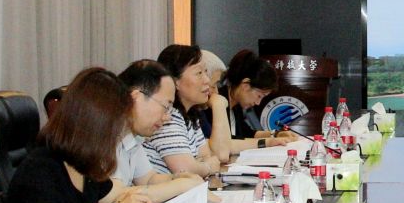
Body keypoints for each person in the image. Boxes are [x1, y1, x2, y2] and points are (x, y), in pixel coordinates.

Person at [0, 66, 155, 203]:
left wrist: (138, 199)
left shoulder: (84, 164)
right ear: (97, 126)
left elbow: (114, 196)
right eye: (117, 126)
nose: (118, 134)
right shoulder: (41, 167)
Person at [117, 60, 213, 191]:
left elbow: (148, 179)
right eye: (165, 107)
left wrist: (178, 178)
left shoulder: (134, 137)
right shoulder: (107, 135)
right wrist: (179, 185)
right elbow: (115, 196)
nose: (167, 117)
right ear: (136, 98)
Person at [150, 44, 226, 177]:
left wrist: (200, 164)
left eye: (205, 72)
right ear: (175, 82)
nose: (207, 80)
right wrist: (207, 166)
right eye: (199, 73)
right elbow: (186, 170)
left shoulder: (190, 116)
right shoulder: (167, 117)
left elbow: (207, 155)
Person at [212, 49, 295, 156]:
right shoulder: (217, 103)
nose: (258, 103)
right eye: (259, 96)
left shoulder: (236, 104)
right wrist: (268, 142)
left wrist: (276, 134)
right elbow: (228, 142)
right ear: (245, 86)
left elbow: (248, 133)